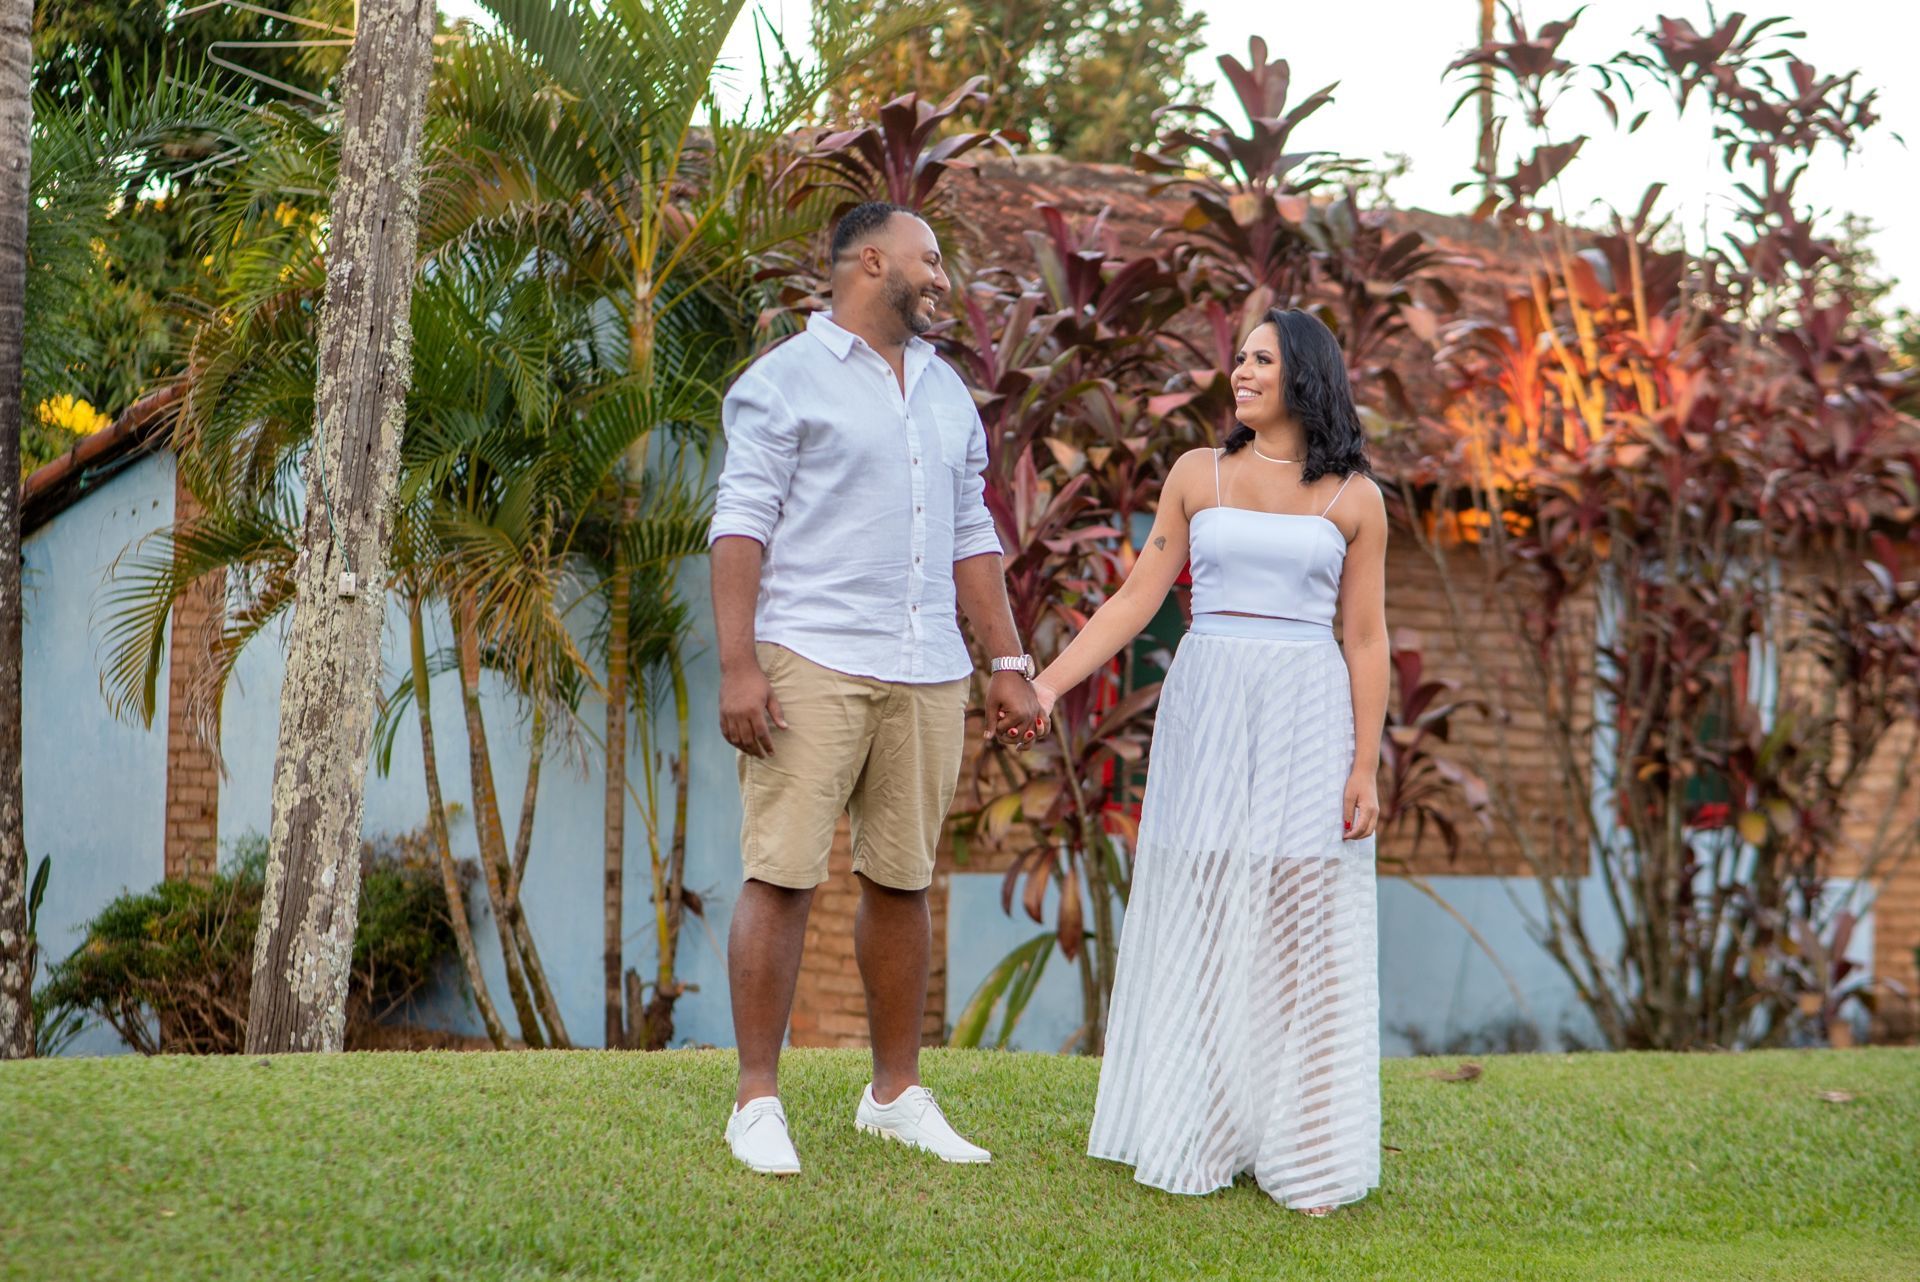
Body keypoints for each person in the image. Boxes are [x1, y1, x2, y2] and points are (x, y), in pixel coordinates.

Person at [707, 201, 1044, 1177]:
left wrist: (1009, 663)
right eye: (928, 259)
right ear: (868, 259)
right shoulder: (785, 382)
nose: (942, 277)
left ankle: (894, 1094)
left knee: (903, 879)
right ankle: (758, 1101)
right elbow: (740, 528)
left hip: (929, 666)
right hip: (810, 656)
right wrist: (738, 666)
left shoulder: (948, 395)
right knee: (783, 871)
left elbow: (973, 534)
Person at [1031, 308, 1387, 1214]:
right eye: (1239, 359)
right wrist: (1046, 687)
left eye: (1262, 360)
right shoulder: (1198, 475)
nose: (1241, 372)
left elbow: (1366, 636)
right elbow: (1135, 599)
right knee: (1206, 899)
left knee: (1298, 917)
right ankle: (1201, 1125)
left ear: (1305, 376)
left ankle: (1302, 1144)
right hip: (1211, 707)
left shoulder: (1355, 497)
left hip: (1309, 713)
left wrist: (1365, 768)